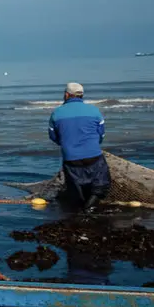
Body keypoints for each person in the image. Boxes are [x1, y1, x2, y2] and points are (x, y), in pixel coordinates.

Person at [48, 82, 111, 211]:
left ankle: (83, 208)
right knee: (101, 184)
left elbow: (54, 137)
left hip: (71, 159)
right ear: (81, 95)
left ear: (66, 95)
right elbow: (101, 134)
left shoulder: (56, 113)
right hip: (93, 156)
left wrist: (67, 144)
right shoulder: (94, 111)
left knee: (77, 189)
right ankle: (90, 206)